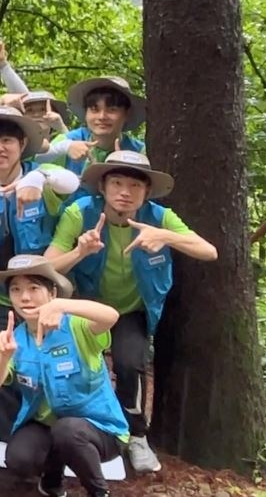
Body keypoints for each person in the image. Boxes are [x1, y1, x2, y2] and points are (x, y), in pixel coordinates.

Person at [44, 150, 217, 473]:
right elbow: (48, 265)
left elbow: (208, 251)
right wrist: (80, 252)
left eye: (135, 186)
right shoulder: (79, 213)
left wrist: (165, 236)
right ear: (103, 187)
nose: (125, 192)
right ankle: (78, 432)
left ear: (147, 191)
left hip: (132, 310)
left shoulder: (158, 217)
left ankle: (136, 434)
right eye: (117, 183)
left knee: (129, 363)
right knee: (76, 366)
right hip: (87, 307)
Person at [0, 105, 80, 440]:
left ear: (22, 144)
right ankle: (7, 437)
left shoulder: (44, 178)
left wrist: (37, 178)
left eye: (7, 140)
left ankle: (62, 435)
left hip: (47, 293)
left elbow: (71, 181)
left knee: (57, 361)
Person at [0, 255, 128, 497]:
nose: (25, 297)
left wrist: (63, 306)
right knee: (19, 457)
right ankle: (51, 483)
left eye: (33, 288)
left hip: (100, 429)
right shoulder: (12, 338)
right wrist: (4, 357)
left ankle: (98, 491)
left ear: (52, 293)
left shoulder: (76, 326)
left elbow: (111, 316)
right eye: (16, 290)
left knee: (68, 431)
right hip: (48, 427)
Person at [51, 77, 148, 188]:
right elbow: (38, 169)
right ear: (86, 113)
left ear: (126, 114)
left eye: (112, 109)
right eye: (94, 109)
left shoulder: (138, 152)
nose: (102, 117)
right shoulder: (67, 141)